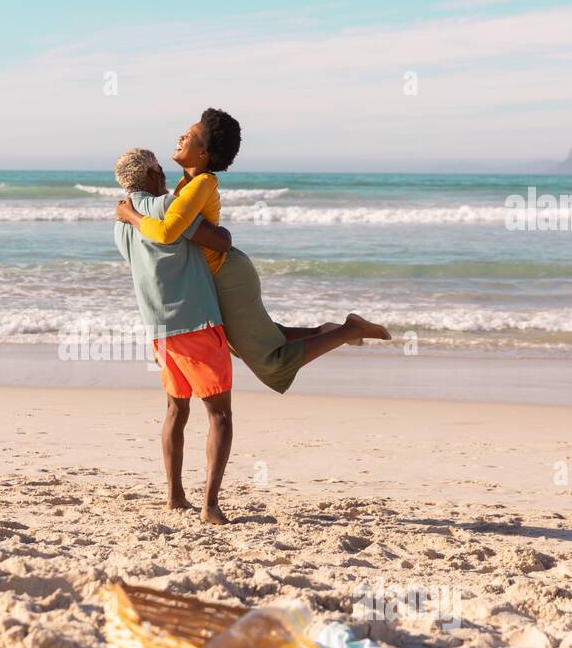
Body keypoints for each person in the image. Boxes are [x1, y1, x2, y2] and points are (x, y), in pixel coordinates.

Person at [116, 108, 390, 394]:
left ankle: (350, 330)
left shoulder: (202, 182)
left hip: (226, 278)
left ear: (204, 153)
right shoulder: (185, 185)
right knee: (265, 336)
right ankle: (325, 332)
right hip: (221, 275)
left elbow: (166, 232)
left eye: (192, 135)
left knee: (270, 360)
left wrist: (130, 215)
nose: (182, 136)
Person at [112, 148, 233, 524]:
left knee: (175, 409)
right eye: (158, 167)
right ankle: (210, 506)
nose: (163, 171)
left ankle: (175, 496)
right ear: (149, 174)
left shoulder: (120, 224)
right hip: (196, 321)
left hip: (160, 330)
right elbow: (221, 241)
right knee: (220, 416)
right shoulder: (168, 207)